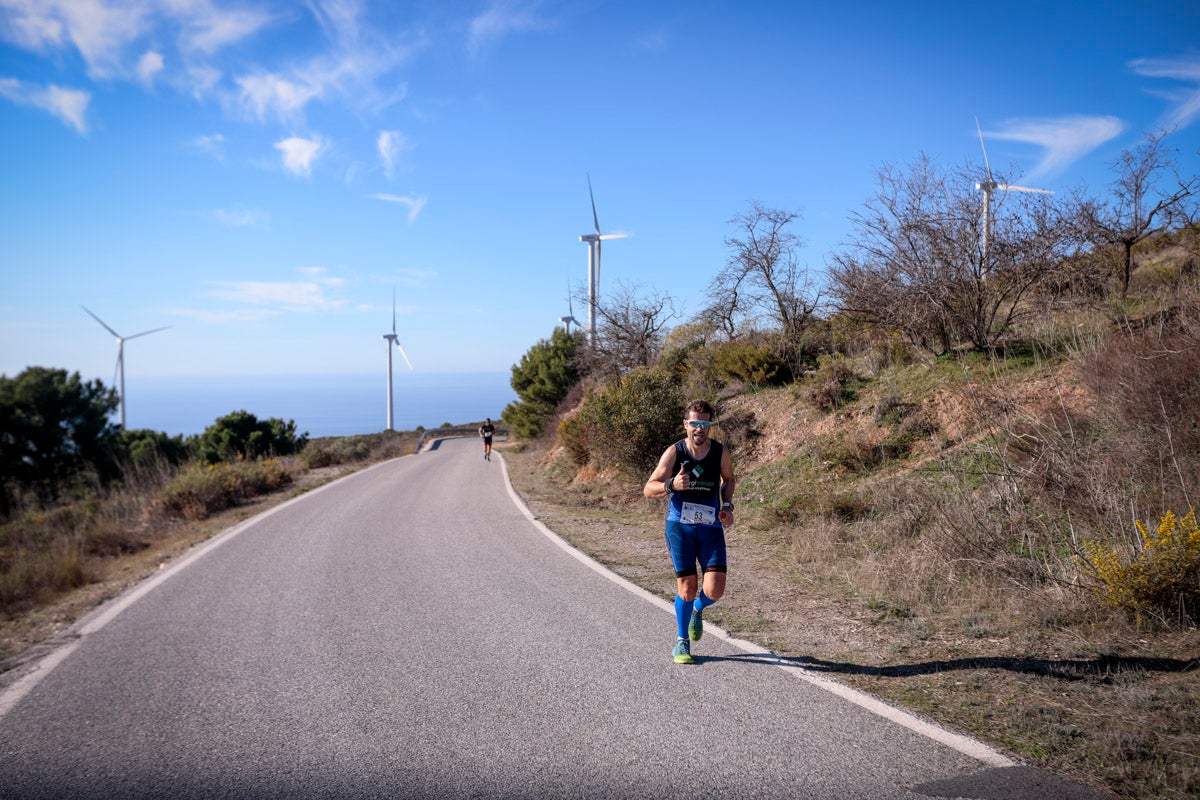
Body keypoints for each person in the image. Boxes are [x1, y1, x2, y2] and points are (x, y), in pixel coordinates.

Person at [643, 399, 735, 664]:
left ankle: (698, 608)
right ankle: (682, 642)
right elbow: (649, 488)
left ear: (710, 426)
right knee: (686, 588)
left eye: (704, 423)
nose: (699, 429)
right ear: (686, 424)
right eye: (694, 423)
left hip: (710, 528)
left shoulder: (720, 451)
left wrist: (727, 504)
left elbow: (728, 478)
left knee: (715, 590)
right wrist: (672, 484)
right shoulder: (675, 452)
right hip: (680, 528)